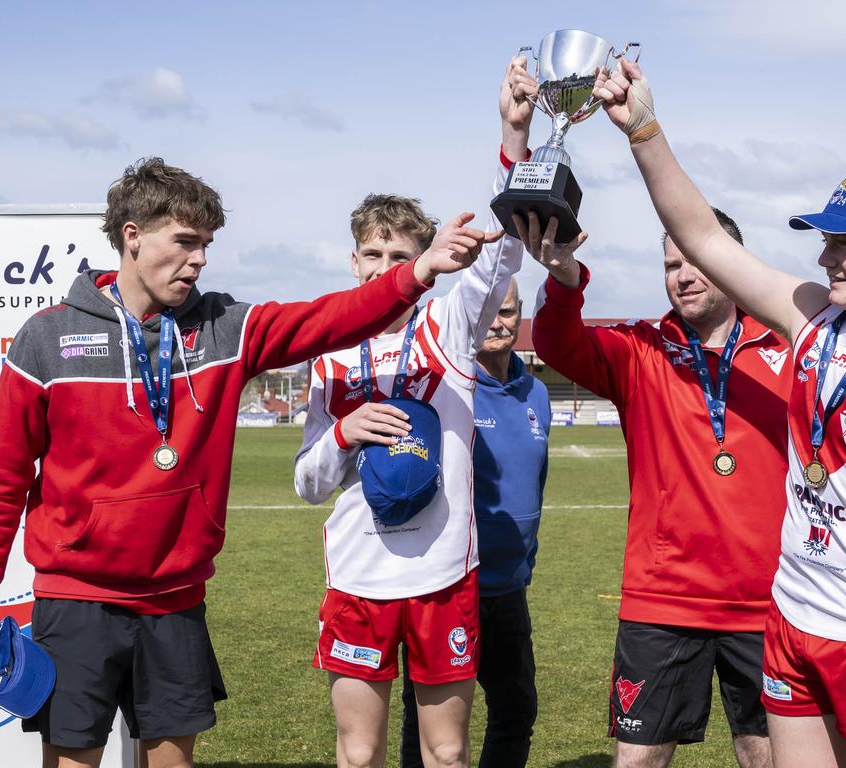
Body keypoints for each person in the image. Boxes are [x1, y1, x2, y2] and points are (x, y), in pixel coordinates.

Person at [0, 157, 495, 768]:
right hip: (77, 598)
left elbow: (328, 319)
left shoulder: (222, 328)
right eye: (186, 242)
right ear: (132, 236)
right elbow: (3, 472)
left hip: (176, 599)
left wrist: (419, 271)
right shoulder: (47, 337)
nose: (201, 259)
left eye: (207, 245)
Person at [593, 59, 846, 768]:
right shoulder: (811, 319)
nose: (826, 257)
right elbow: (704, 238)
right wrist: (642, 131)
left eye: (845, 243)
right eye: (825, 240)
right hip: (793, 622)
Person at [293, 57, 534, 768]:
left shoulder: (451, 322)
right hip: (358, 577)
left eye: (399, 253)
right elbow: (309, 483)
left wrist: (511, 133)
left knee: (447, 753)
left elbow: (505, 251)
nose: (381, 266)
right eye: (371, 253)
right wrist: (343, 430)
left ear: (422, 258)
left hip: (442, 576)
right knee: (359, 756)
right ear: (352, 259)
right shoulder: (329, 351)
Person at [521, 201, 788, 767]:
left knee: (765, 753)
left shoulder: (789, 350)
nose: (683, 276)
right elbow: (556, 344)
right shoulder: (639, 349)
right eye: (671, 266)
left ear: (733, 263)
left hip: (768, 600)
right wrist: (566, 279)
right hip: (664, 600)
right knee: (638, 759)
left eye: (694, 260)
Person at [398, 278, 550, 768]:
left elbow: (537, 481)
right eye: (486, 313)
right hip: (448, 586)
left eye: (507, 312)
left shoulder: (537, 392)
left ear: (519, 316)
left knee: (516, 708)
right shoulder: (448, 388)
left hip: (509, 587)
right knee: (424, 718)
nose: (496, 323)